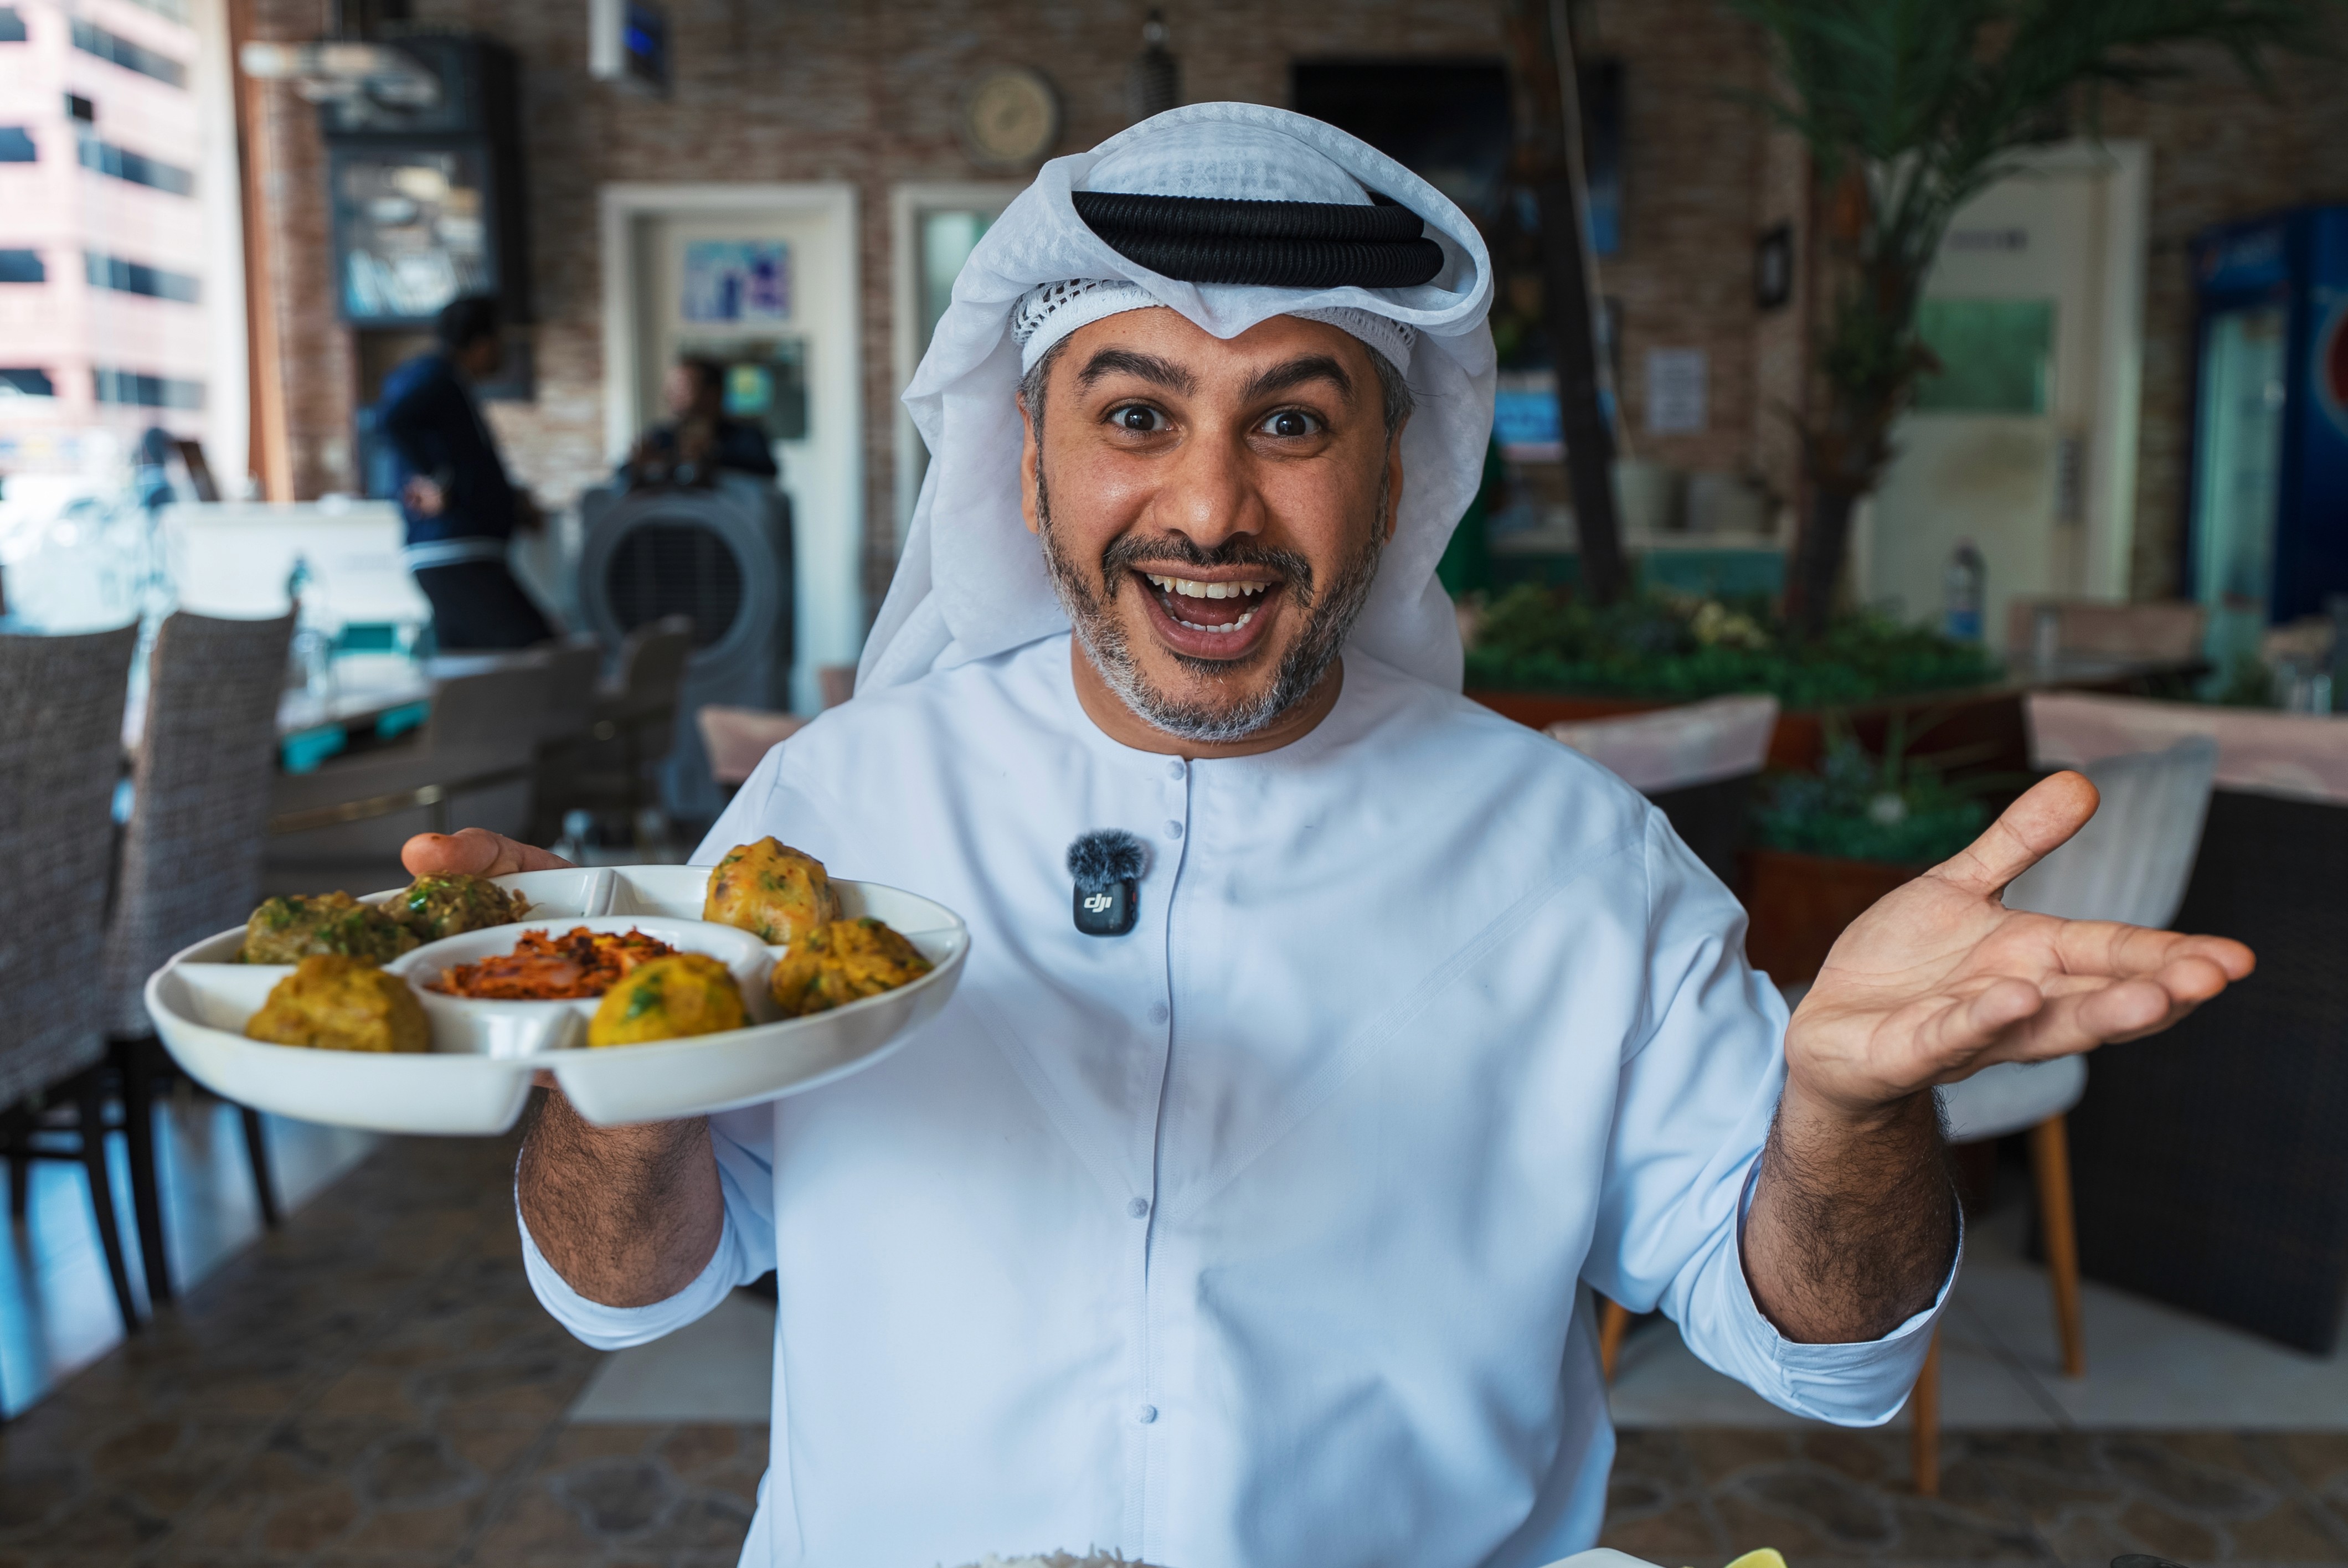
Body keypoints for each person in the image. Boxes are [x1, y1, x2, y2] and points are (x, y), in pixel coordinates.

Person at [403, 106, 2252, 1567]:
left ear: (1395, 472)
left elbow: (1827, 1354)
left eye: (1293, 420)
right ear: (1028, 460)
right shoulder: (836, 813)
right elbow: (621, 1290)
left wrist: (1850, 1110)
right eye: (1137, 416)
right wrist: (608, 1051)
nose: (1211, 506)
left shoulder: (1575, 865)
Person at [377, 295, 552, 651]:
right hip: (457, 552)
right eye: (501, 339)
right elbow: (393, 421)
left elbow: (463, 464)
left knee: (473, 673)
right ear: (482, 343)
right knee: (542, 658)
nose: (504, 351)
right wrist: (429, 478)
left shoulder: (449, 382)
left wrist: (512, 504)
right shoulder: (434, 377)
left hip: (460, 551)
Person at [619, 357, 781, 488]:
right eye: (671, 387)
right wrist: (640, 468)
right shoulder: (661, 437)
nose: (672, 395)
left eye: (684, 387)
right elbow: (621, 478)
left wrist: (713, 458)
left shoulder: (746, 436)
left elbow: (766, 474)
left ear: (713, 393)